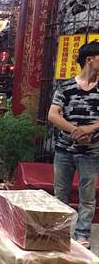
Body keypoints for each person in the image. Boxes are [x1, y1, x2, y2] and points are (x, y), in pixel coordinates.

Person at [48, 41, 99, 248]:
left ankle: (82, 234)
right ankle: (59, 232)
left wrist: (90, 129)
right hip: (64, 150)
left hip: (91, 152)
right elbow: (53, 114)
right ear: (90, 59)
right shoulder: (66, 86)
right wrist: (75, 131)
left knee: (87, 196)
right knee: (60, 194)